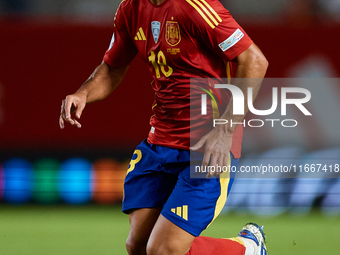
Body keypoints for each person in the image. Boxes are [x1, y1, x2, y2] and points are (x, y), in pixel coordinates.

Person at [59, 0, 268, 254]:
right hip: (159, 144)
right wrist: (83, 94)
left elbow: (255, 60)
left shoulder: (195, 8)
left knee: (162, 249)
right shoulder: (130, 9)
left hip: (206, 146)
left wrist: (224, 130)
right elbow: (112, 68)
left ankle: (247, 248)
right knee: (138, 246)